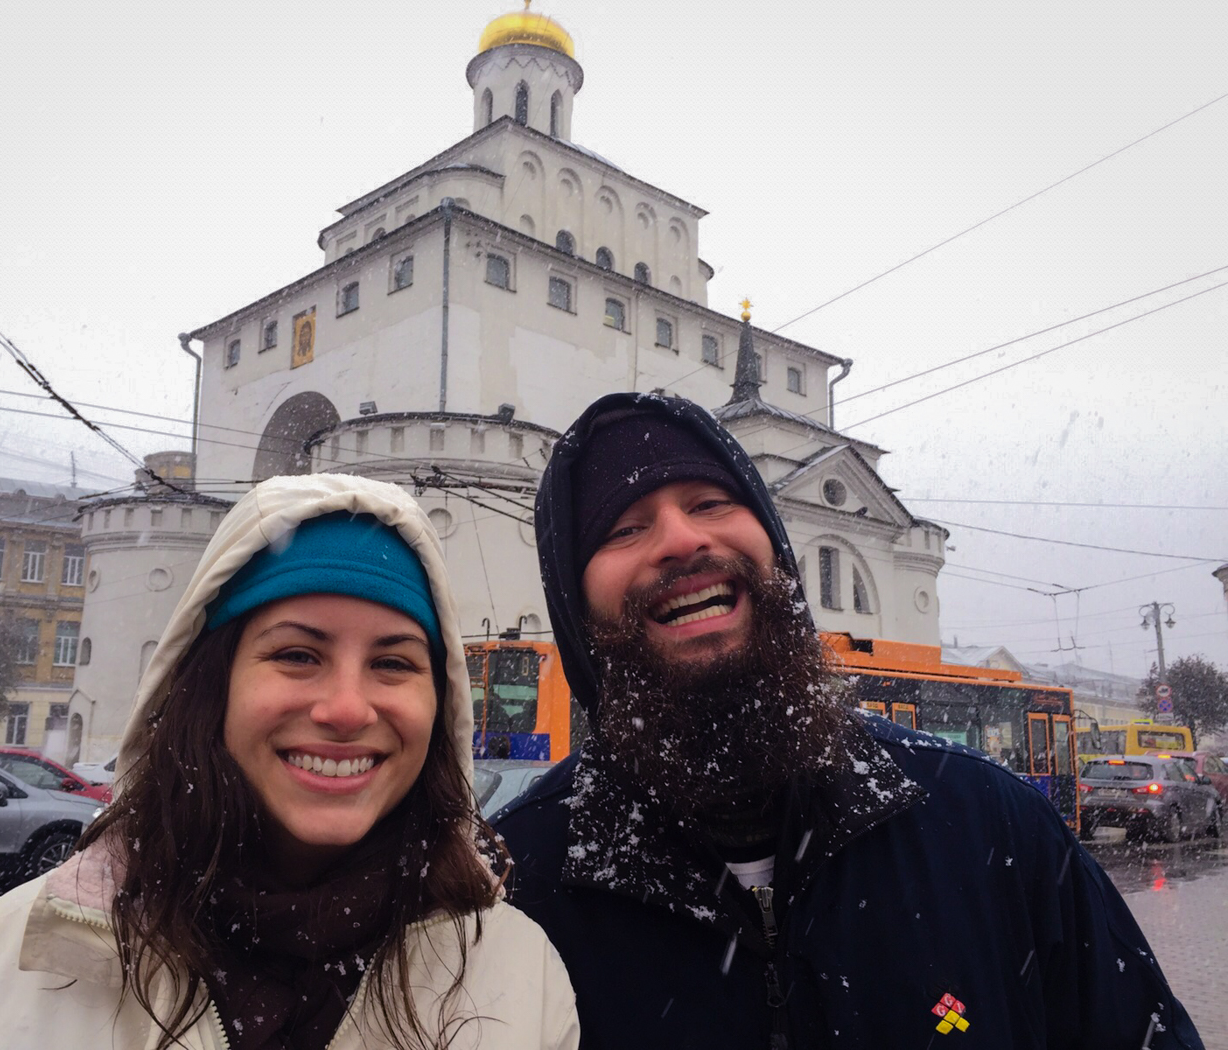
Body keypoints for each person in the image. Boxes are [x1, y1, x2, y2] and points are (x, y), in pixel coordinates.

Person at [494, 392, 1202, 1050]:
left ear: (777, 550)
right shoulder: (513, 889)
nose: (680, 539)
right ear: (577, 612)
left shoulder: (989, 824)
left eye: (710, 501)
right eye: (624, 527)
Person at [0, 474, 578, 1050]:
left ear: (440, 702)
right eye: (297, 655)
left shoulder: (514, 974)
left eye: (393, 662)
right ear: (212, 687)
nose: (346, 708)